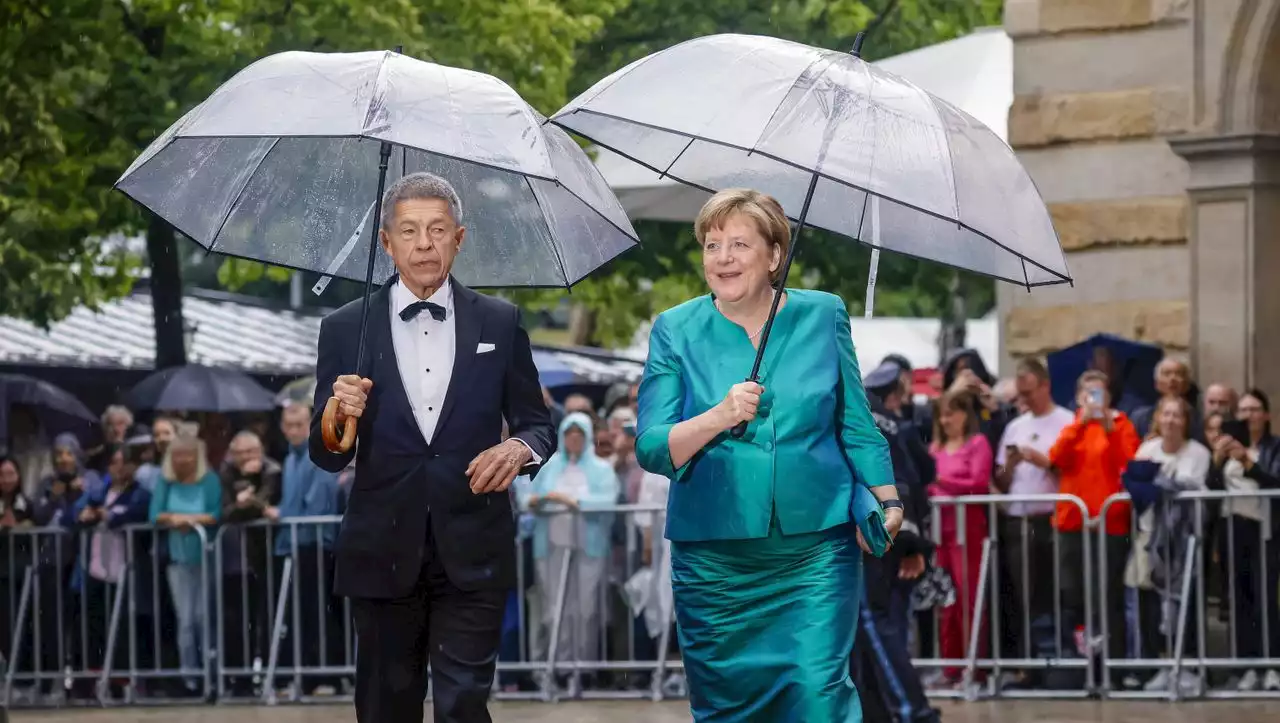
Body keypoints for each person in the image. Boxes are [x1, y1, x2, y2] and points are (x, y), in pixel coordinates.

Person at [634, 188, 902, 722]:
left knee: (817, 693)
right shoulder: (674, 328)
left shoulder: (825, 315)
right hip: (714, 560)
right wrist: (719, 415)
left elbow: (855, 422)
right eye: (712, 245)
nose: (723, 258)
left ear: (776, 255)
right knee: (727, 709)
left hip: (815, 552)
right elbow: (650, 446)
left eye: (739, 243)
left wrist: (889, 501)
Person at [310, 171, 555, 723]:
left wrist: (519, 448)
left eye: (438, 229)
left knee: (463, 703)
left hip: (473, 545)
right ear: (386, 241)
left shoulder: (502, 320)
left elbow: (539, 423)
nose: (424, 243)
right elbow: (326, 454)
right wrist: (333, 417)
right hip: (381, 548)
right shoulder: (345, 328)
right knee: (384, 708)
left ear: (459, 238)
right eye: (410, 230)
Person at [1048, 370, 1140, 688]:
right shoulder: (1072, 424)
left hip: (1109, 521)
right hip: (1073, 520)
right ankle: (1080, 665)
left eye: (1100, 393)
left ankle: (1111, 669)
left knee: (1108, 596)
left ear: (1109, 398)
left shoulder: (1121, 425)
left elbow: (1129, 464)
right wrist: (1081, 423)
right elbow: (1056, 458)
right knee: (1073, 594)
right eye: (1088, 393)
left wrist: (1109, 427)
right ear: (1078, 397)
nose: (1094, 400)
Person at [928, 390, 994, 687]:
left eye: (952, 413)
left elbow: (978, 484)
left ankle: (974, 667)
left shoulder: (977, 444)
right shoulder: (935, 448)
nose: (946, 419)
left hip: (969, 531)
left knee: (970, 599)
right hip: (941, 533)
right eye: (942, 414)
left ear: (966, 415)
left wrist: (941, 482)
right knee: (947, 602)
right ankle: (950, 667)